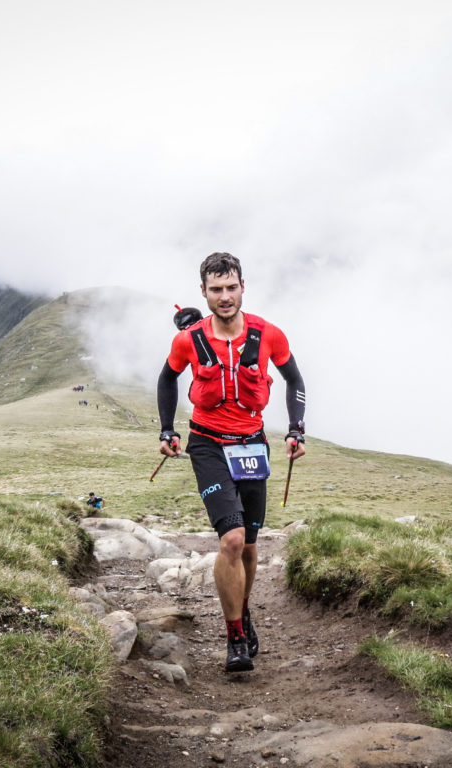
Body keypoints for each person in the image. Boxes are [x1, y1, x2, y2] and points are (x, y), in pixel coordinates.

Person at [157, 252, 306, 673]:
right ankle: (235, 636)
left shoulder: (268, 334)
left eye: (231, 287)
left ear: (243, 286)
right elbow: (168, 378)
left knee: (252, 549)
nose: (225, 296)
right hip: (207, 445)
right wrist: (168, 431)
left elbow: (294, 379)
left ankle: (243, 609)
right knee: (233, 541)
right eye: (216, 289)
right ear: (203, 292)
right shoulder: (188, 340)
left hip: (252, 446)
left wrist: (296, 429)